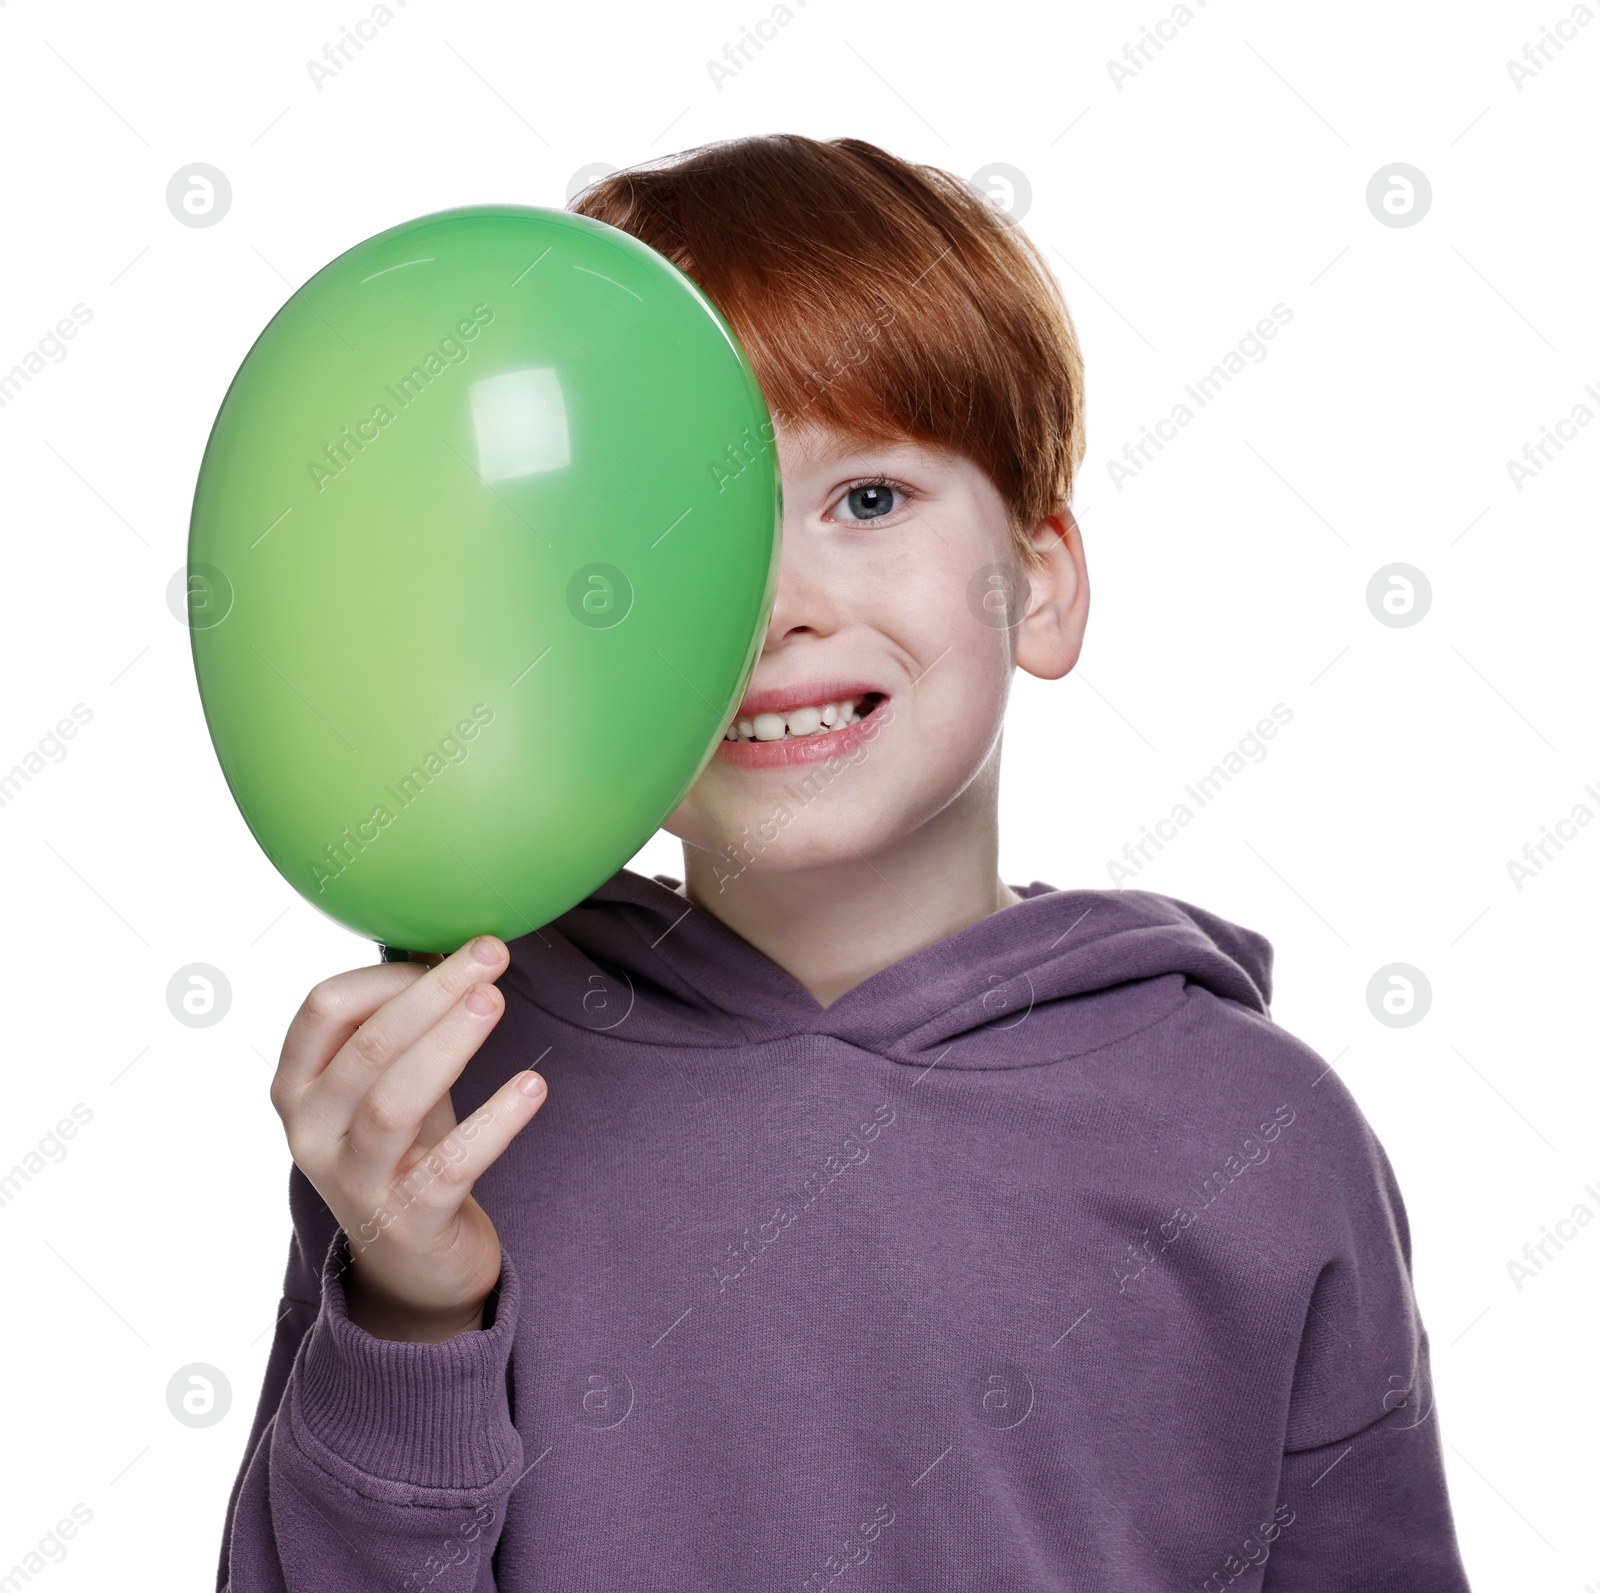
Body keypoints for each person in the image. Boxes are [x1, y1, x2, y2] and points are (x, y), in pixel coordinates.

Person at [216, 135, 1472, 1591]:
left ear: (1042, 583)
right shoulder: (453, 1104)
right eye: (673, 525)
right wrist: (412, 1314)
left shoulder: (1260, 1131)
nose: (775, 605)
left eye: (867, 499)